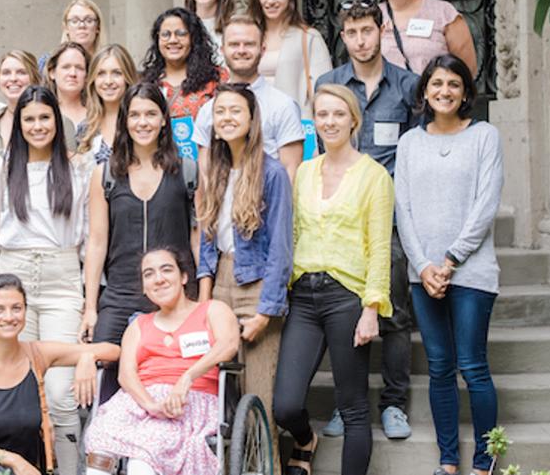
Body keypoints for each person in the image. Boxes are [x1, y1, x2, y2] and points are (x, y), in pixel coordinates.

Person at [273, 84, 393, 475]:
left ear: (354, 119)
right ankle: (306, 440)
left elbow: (380, 247)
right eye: (322, 114)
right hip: (304, 297)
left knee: (355, 407)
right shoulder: (304, 172)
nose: (330, 122)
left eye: (338, 114)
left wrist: (371, 308)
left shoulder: (374, 176)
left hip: (348, 297)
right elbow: (291, 235)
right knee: (285, 405)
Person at [316, 0, 420, 440]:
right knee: (343, 314)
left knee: (392, 313)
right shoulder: (330, 83)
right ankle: (347, 404)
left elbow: (417, 154)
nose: (360, 40)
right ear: (343, 36)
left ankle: (395, 403)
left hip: (390, 215)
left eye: (367, 30)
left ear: (381, 31)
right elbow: (321, 146)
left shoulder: (409, 86)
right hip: (340, 215)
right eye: (352, 32)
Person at [394, 54, 503, 475]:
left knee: (473, 365)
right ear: (425, 91)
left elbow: (485, 204)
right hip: (424, 276)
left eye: (454, 84)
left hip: (471, 273)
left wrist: (451, 259)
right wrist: (423, 267)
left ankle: (483, 463)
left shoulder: (484, 136)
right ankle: (448, 461)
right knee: (439, 367)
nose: (444, 91)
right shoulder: (409, 142)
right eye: (437, 83)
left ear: (465, 92)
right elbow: (403, 208)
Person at [0, 85, 91, 472]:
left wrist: (89, 299)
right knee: (18, 389)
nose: (38, 125)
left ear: (57, 122)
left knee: (60, 393)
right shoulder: (3, 168)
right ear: (19, 123)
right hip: (14, 276)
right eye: (29, 119)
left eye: (45, 117)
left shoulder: (79, 169)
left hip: (61, 282)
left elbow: (89, 236)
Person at [196, 84, 293, 475]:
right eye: (220, 112)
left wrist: (266, 312)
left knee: (259, 397)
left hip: (256, 287)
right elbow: (206, 240)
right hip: (220, 284)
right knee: (221, 397)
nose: (227, 118)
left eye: (236, 111)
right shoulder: (214, 171)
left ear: (252, 120)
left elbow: (282, 249)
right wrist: (203, 301)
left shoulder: (272, 174)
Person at [0, 273, 120, 475]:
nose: (9, 317)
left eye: (16, 308)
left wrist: (87, 356)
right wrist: (13, 460)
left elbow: (114, 351)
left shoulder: (37, 355)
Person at [85, 247, 240, 475]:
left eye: (166, 270)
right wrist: (150, 405)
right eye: (149, 274)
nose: (158, 279)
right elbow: (126, 374)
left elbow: (228, 345)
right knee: (100, 438)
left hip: (190, 400)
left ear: (184, 277)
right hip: (139, 401)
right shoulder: (138, 325)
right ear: (144, 287)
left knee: (143, 460)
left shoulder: (212, 310)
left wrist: (187, 377)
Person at [80, 83, 197, 351]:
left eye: (150, 114)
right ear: (124, 121)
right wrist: (90, 308)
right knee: (101, 368)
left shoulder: (187, 171)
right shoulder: (105, 174)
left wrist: (201, 298)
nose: (142, 122)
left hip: (174, 294)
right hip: (120, 294)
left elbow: (198, 240)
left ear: (164, 120)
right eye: (134, 115)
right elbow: (97, 242)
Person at [192, 14, 305, 182]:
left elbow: (291, 172)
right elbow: (205, 176)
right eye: (234, 44)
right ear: (222, 50)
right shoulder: (209, 109)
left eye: (249, 44)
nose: (241, 50)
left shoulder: (283, 105)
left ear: (262, 49)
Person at [0, 50, 77, 184]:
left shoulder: (61, 123)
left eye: (21, 72)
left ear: (35, 79)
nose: (13, 78)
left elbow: (73, 172)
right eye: (6, 73)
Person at [247, 0, 332, 116]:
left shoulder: (309, 37)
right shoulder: (247, 36)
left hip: (292, 125)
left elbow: (325, 91)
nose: (270, 0)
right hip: (251, 124)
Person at [141, 8, 225, 147]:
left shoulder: (216, 79)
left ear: (193, 38)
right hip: (159, 163)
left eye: (181, 34)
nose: (173, 40)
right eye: (165, 34)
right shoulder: (146, 82)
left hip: (206, 161)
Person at [76, 44, 138, 167]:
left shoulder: (141, 122)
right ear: (93, 79)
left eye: (117, 73)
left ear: (128, 76)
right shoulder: (85, 129)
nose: (108, 81)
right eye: (101, 73)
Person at [39, 0, 107, 71]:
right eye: (74, 21)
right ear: (66, 28)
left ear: (98, 27)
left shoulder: (108, 62)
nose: (82, 25)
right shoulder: (48, 62)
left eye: (89, 20)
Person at [45, 41, 90, 128]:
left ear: (87, 76)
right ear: (52, 73)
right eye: (66, 67)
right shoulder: (42, 113)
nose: (73, 73)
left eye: (79, 68)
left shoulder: (97, 115)